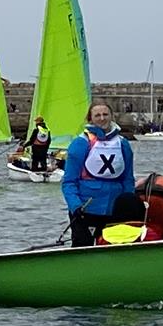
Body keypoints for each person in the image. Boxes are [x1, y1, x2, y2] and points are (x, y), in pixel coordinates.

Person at [62, 101, 135, 247]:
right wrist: (75, 206)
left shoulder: (123, 144)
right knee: (82, 250)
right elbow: (69, 182)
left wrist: (128, 203)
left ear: (111, 116)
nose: (102, 118)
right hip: (86, 209)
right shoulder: (80, 144)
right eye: (97, 115)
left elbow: (128, 179)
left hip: (114, 209)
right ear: (90, 119)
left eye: (105, 114)